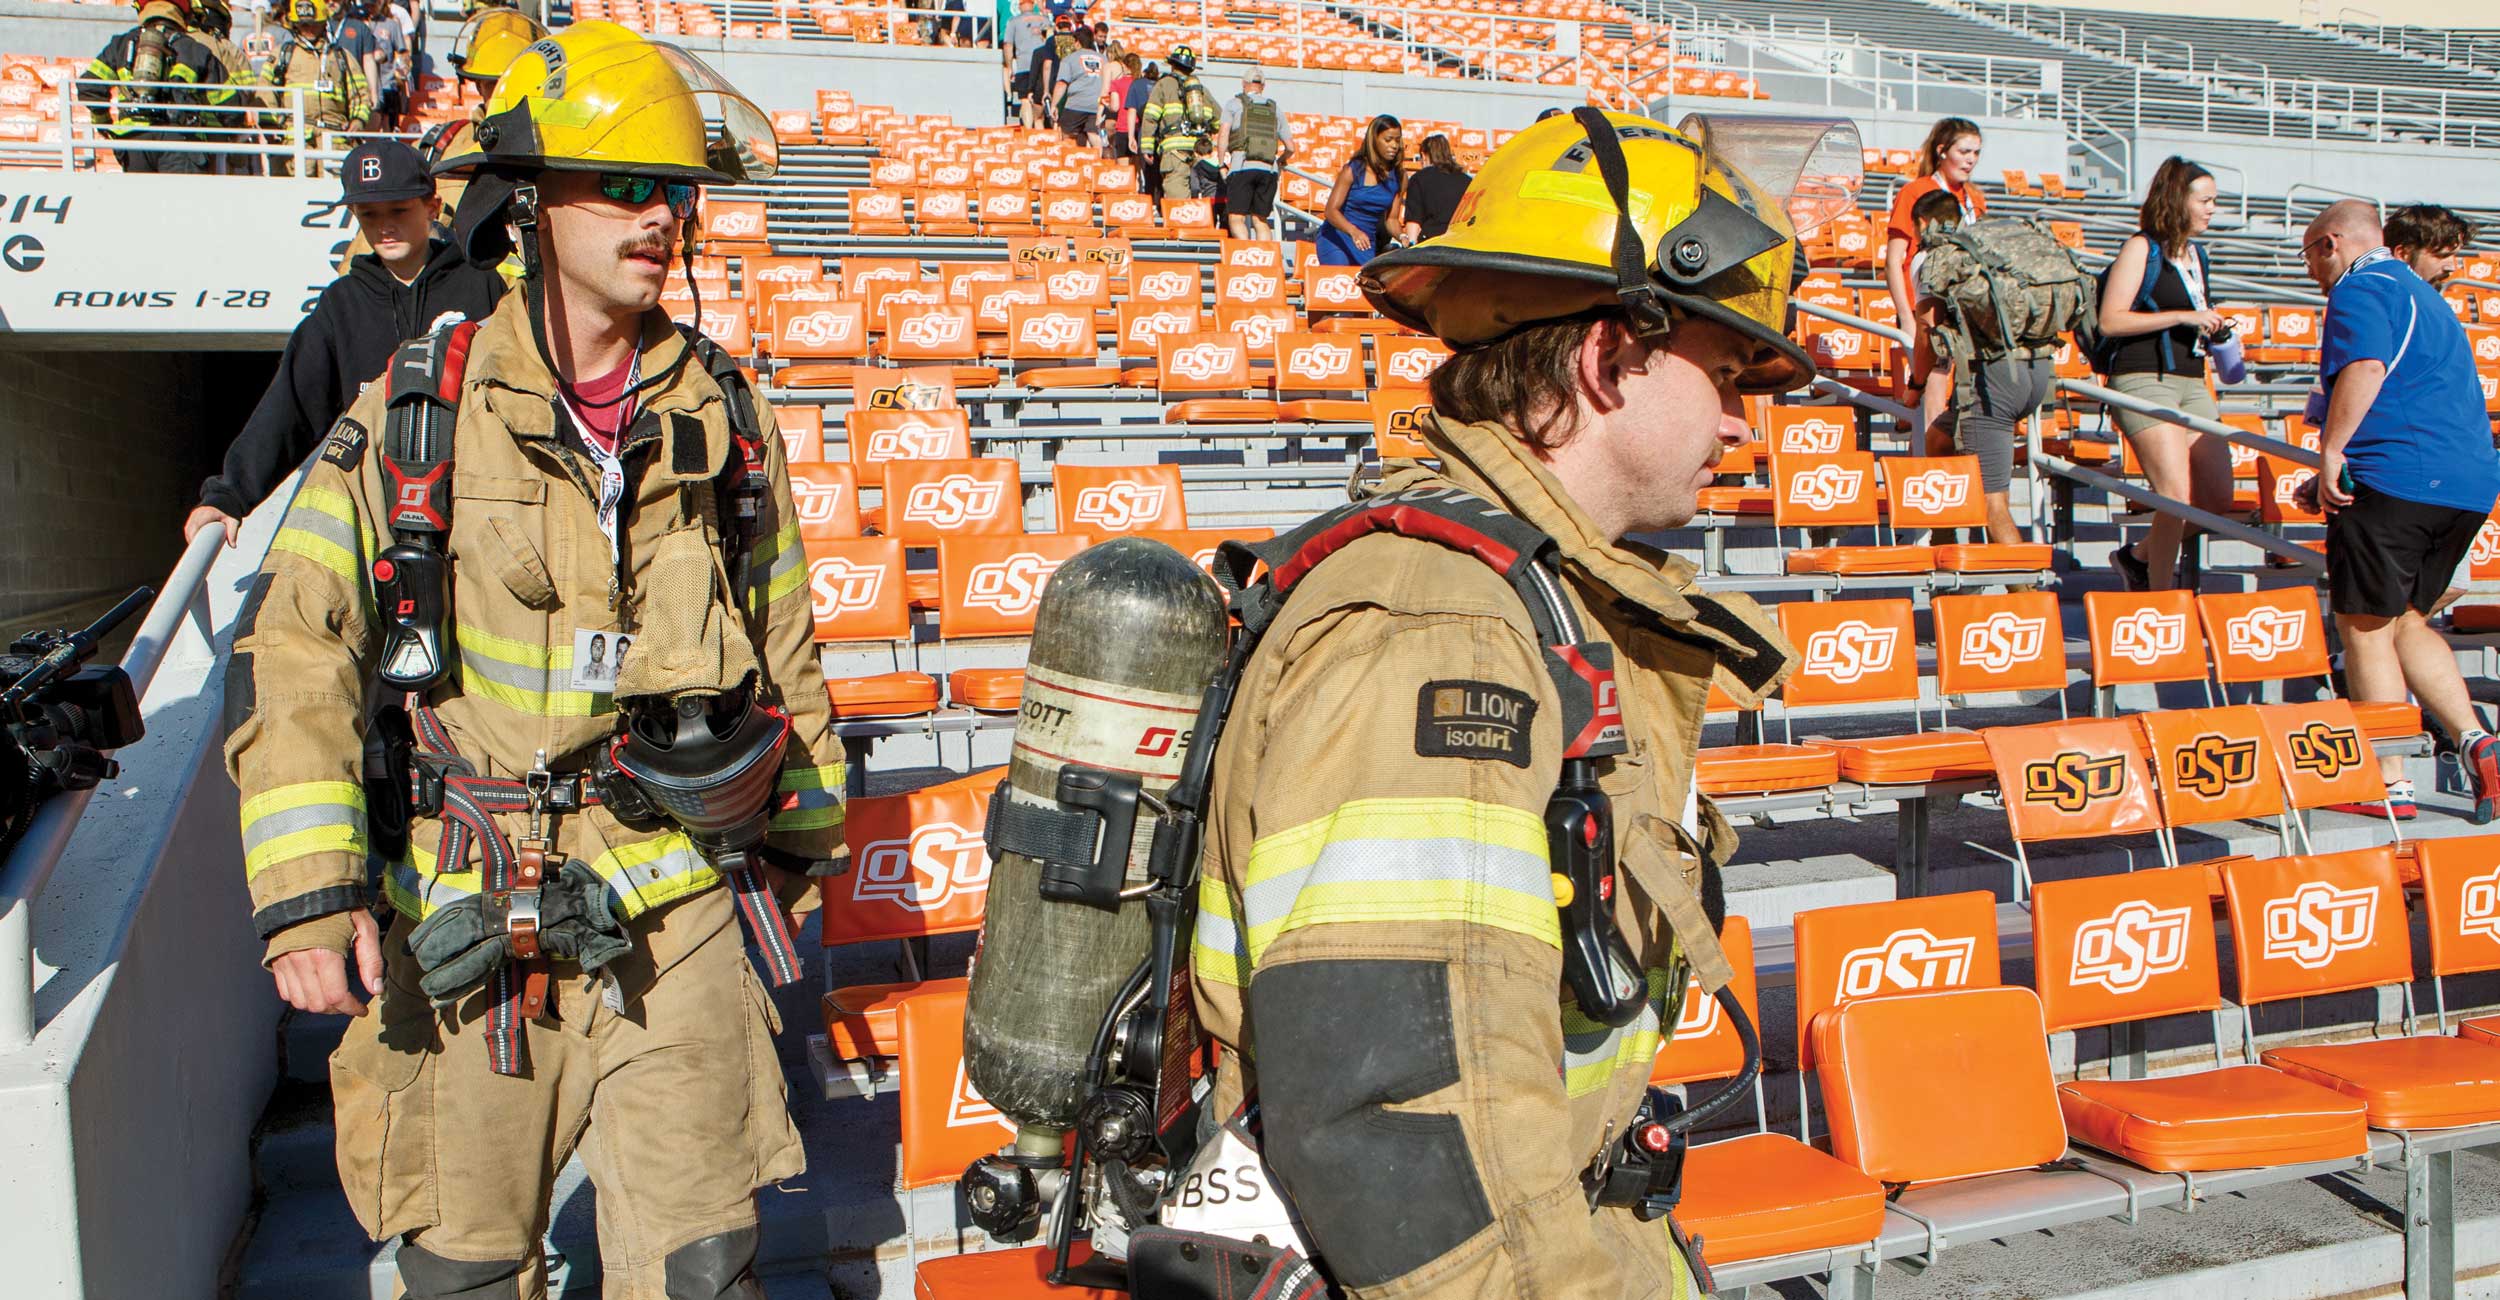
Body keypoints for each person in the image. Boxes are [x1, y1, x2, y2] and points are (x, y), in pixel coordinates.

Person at [225, 24, 846, 1299]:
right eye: (622, 184)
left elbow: (782, 636)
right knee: (461, 1270)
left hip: (676, 911)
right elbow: (300, 646)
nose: (660, 216)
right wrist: (307, 887)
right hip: (471, 911)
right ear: (527, 199)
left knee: (705, 1268)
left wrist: (801, 843)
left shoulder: (724, 413)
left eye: (672, 190)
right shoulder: (417, 408)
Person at [1197, 107, 1812, 1298]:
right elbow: (1410, 1125)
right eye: (1726, 373)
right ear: (1604, 358)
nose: (1744, 421)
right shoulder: (1447, 633)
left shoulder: (1529, 593)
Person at [186, 139, 506, 545]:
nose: (385, 226)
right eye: (369, 214)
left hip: (473, 506)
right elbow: (291, 407)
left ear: (431, 206)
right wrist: (229, 495)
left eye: (399, 210)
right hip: (375, 511)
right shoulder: (341, 304)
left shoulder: (482, 285)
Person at [2299, 199, 2500, 822]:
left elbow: (2366, 366)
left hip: (2400, 478)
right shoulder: (2427, 296)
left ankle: (2389, 780)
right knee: (2410, 619)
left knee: (2363, 625)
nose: (2310, 271)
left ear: (2333, 242)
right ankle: (2479, 741)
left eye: (2309, 254)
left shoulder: (2362, 288)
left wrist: (2332, 453)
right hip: (2463, 485)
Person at [2097, 156, 2233, 591]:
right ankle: (2158, 598)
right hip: (2143, 378)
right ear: (2178, 200)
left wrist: (2216, 330)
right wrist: (2183, 316)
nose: (2212, 209)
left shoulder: (2197, 255)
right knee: (2174, 494)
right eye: (2205, 200)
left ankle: (2136, 558)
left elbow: (2190, 318)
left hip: (2192, 380)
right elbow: (2111, 321)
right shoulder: (2142, 247)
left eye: (2214, 201)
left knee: (2215, 500)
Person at [1908, 187, 2046, 544]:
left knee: (1992, 503)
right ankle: (1947, 548)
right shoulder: (1986, 250)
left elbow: (1927, 330)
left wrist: (1916, 383)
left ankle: (2029, 596)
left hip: (1995, 377)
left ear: (1923, 223)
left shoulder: (1934, 257)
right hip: (2037, 371)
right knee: (1939, 438)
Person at [1883, 116, 1986, 453]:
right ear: (1943, 151)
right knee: (1935, 386)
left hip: (1965, 310)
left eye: (1976, 153)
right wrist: (1907, 317)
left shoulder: (1975, 198)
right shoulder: (1916, 191)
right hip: (1926, 305)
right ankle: (1932, 468)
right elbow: (1894, 260)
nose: (1971, 159)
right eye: (1964, 151)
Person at [78, 0, 235, 175]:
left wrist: (104, 123)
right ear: (184, 14)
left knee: (141, 201)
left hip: (133, 143)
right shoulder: (194, 49)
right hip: (179, 143)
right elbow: (231, 106)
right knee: (180, 201)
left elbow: (89, 86)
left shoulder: (121, 44)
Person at [267, 0, 370, 177]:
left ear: (324, 23)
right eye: (303, 24)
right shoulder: (282, 54)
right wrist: (273, 125)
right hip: (295, 141)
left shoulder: (340, 56)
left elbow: (361, 94)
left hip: (334, 140)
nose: (308, 30)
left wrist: (358, 120)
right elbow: (266, 92)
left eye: (313, 24)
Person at [185, 0, 270, 174]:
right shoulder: (225, 48)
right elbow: (247, 91)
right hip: (224, 131)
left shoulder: (182, 41)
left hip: (189, 131)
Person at [1314, 113, 1403, 266]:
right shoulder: (1353, 170)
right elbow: (1330, 211)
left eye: (1397, 140)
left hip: (1365, 242)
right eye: (1388, 140)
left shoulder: (1400, 176)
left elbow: (1391, 219)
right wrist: (1354, 231)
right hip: (1337, 237)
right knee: (1341, 279)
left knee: (1366, 286)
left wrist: (1403, 236)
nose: (1394, 145)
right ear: (1374, 141)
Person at [1221, 66, 1291, 239]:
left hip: (1241, 166)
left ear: (1244, 84)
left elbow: (1223, 135)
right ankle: (1264, 258)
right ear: (1263, 87)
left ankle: (1246, 252)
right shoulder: (1275, 109)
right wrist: (1281, 160)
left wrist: (1222, 163)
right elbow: (1291, 147)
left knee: (1236, 217)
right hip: (1269, 169)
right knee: (1261, 220)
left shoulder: (1234, 104)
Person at [1140, 43, 1217, 201]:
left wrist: (1147, 147)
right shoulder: (1201, 90)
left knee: (1179, 205)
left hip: (1175, 153)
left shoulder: (1163, 84)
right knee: (1199, 204)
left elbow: (1150, 116)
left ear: (1172, 64)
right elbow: (1218, 120)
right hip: (1199, 151)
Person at [1398, 131, 1469, 244]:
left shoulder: (1419, 179)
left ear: (1424, 155)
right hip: (1461, 244)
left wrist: (1410, 247)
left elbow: (1414, 223)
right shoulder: (1467, 180)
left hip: (1431, 245)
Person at [2387, 203, 2473, 287]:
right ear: (2403, 254)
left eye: (2455, 256)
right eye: (2442, 256)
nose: (2452, 268)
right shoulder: (2377, 297)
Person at [1051, 24, 1104, 146]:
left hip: (1076, 104)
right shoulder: (1103, 59)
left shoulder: (1069, 59)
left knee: (1067, 135)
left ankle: (1071, 161)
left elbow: (1061, 83)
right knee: (1093, 134)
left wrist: (1054, 105)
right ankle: (1099, 160)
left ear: (1077, 42)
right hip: (1097, 105)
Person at [1003, 0, 1046, 125]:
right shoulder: (1044, 20)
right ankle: (1040, 128)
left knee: (1025, 99)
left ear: (1020, 6)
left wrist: (1009, 66)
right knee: (1039, 100)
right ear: (1033, 5)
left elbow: (1008, 45)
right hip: (1041, 65)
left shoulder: (1013, 21)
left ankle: (1028, 129)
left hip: (1024, 64)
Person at [1122, 59, 1157, 187]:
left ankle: (1148, 196)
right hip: (1162, 131)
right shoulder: (1161, 84)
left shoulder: (1136, 84)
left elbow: (1132, 111)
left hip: (1145, 130)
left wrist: (1131, 137)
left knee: (1146, 168)